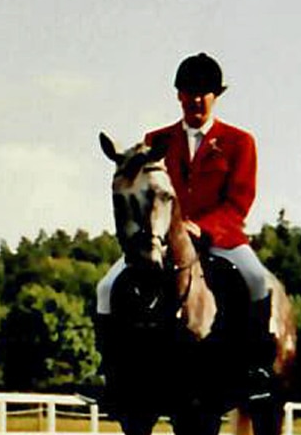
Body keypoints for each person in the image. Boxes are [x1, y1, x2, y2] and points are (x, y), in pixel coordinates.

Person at [94, 53, 281, 399]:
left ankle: (257, 367)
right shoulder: (156, 140)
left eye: (204, 91)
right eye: (189, 91)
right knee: (107, 286)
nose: (196, 99)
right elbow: (144, 192)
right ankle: (107, 370)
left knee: (257, 280)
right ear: (178, 95)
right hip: (162, 239)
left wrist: (202, 227)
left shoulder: (240, 141)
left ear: (215, 96)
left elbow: (240, 200)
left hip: (221, 237)